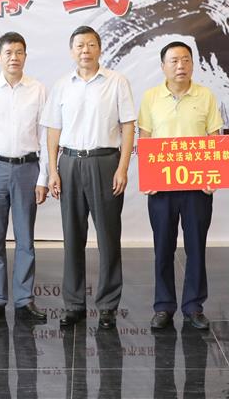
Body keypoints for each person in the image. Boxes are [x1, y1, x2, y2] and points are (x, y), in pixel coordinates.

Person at [41, 26, 136, 330]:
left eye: (91, 44)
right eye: (80, 45)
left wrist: (122, 168)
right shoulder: (61, 86)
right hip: (69, 163)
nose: (85, 50)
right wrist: (53, 170)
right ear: (72, 51)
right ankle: (74, 304)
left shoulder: (116, 82)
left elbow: (128, 126)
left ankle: (107, 305)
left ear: (100, 49)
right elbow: (53, 130)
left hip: (105, 162)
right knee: (72, 236)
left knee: (108, 236)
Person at [138, 41, 223, 331]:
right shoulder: (151, 97)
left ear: (193, 65)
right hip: (161, 187)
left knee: (196, 247)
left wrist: (213, 177)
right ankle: (163, 306)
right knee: (163, 247)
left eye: (186, 60)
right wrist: (147, 177)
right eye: (174, 61)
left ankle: (194, 306)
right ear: (163, 66)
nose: (180, 66)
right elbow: (145, 139)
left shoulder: (206, 96)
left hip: (197, 186)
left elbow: (214, 137)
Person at [0, 32, 49, 325]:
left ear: (25, 56)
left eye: (19, 52)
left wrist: (43, 177)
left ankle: (24, 300)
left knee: (25, 237)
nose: (14, 57)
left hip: (27, 168)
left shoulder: (38, 89)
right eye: (8, 52)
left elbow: (45, 135)